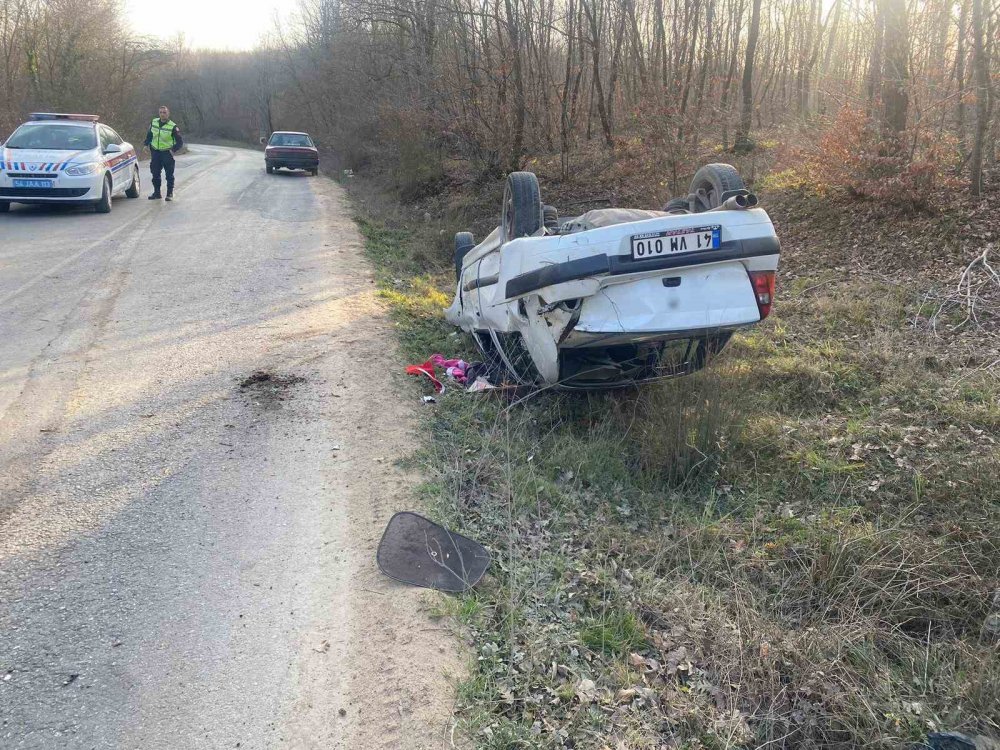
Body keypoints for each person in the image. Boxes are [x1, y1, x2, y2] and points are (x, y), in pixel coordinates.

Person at [143, 105, 183, 201]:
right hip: (155, 151)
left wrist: (173, 150)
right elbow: (150, 135)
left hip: (166, 153)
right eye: (160, 112)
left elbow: (180, 142)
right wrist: (146, 144)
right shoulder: (154, 122)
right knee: (155, 173)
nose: (162, 114)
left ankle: (169, 193)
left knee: (169, 174)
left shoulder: (173, 126)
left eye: (164, 112)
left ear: (168, 114)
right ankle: (157, 193)